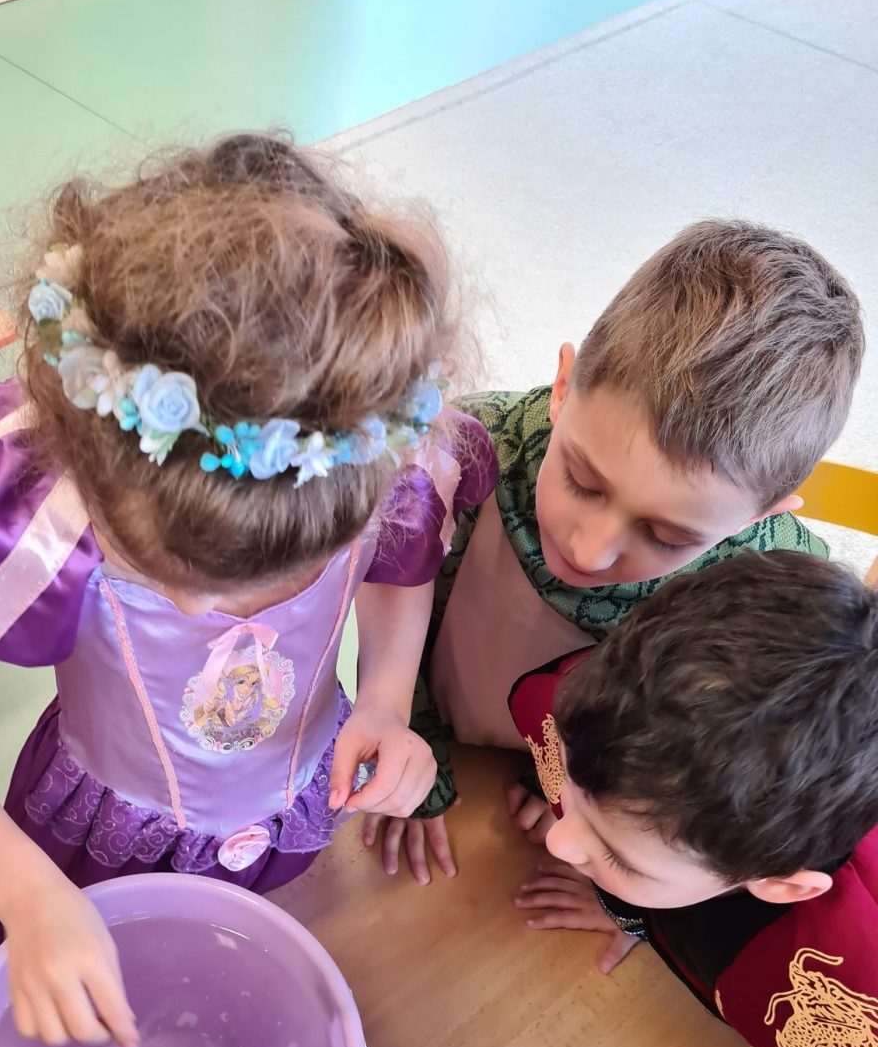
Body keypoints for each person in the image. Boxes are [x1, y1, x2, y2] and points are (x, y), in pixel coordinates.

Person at [0, 134, 497, 1047]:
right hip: (92, 856)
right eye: (161, 578)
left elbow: (400, 577)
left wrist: (388, 700)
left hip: (296, 816)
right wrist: (28, 894)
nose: (203, 614)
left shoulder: (377, 461)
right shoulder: (40, 505)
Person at [365, 220, 864, 884]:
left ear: (762, 516)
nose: (590, 549)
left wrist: (588, 804)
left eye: (667, 537)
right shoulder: (464, 449)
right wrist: (404, 732)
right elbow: (395, 586)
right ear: (563, 386)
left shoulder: (776, 592)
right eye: (582, 480)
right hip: (431, 725)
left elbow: (756, 767)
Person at [509, 550, 878, 1047]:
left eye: (617, 854)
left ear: (781, 887)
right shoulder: (629, 718)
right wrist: (623, 891)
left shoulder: (858, 978)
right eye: (572, 800)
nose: (557, 842)